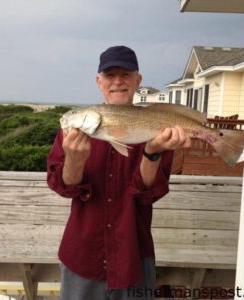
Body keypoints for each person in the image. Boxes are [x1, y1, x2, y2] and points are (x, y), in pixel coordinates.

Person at [47, 45, 191, 300]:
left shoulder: (157, 130)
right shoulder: (71, 133)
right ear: (99, 81)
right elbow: (64, 187)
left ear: (138, 80)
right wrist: (75, 160)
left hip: (133, 257)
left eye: (125, 74)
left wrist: (152, 152)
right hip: (83, 255)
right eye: (110, 75)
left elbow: (148, 194)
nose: (117, 82)